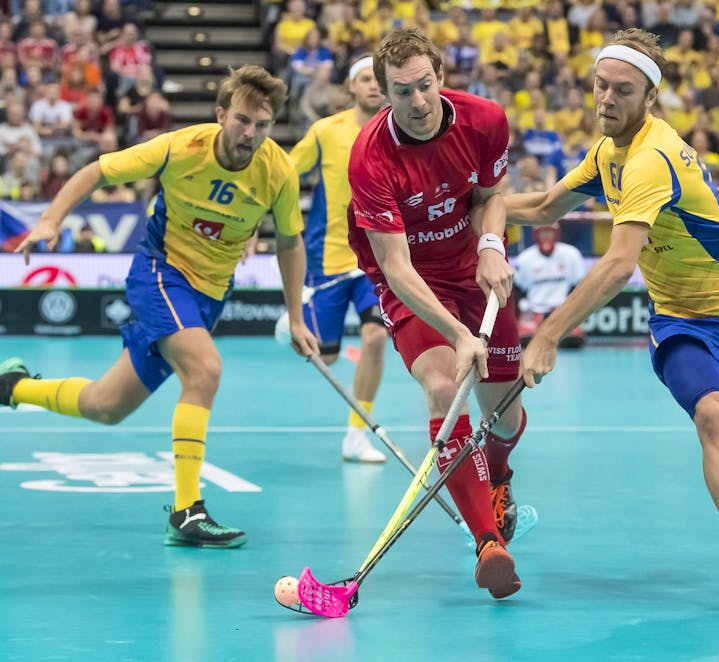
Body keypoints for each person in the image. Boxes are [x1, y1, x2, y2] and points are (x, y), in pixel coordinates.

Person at [505, 29, 719, 609]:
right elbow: (546, 206)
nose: (606, 100)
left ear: (651, 97)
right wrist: (480, 204)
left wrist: (546, 334)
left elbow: (620, 263)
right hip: (683, 319)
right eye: (599, 86)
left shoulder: (651, 157)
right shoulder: (608, 151)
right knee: (713, 415)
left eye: (622, 90)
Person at [1, 65, 320, 548]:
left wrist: (295, 316)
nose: (249, 133)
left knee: (106, 406)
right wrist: (49, 221)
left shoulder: (277, 171)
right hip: (161, 274)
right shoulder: (179, 147)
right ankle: (187, 511)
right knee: (205, 370)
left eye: (262, 123)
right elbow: (97, 170)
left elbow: (290, 244)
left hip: (210, 294)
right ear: (220, 116)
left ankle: (14, 387)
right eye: (240, 120)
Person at [346, 28, 526, 600]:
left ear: (441, 77)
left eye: (425, 86)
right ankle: (487, 542)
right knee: (445, 387)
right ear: (384, 94)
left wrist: (492, 246)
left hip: (477, 273)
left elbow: (490, 195)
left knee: (506, 416)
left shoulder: (486, 120)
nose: (418, 102)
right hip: (414, 285)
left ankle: (497, 476)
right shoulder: (370, 157)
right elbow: (396, 267)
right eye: (403, 92)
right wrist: (455, 333)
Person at [287, 55, 389, 463]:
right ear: (350, 87)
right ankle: (291, 325)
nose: (372, 86)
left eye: (377, 79)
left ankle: (356, 434)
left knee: (376, 337)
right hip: (328, 255)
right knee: (322, 354)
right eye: (365, 79)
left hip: (378, 257)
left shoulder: (400, 133)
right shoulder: (325, 132)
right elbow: (285, 175)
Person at [513, 222, 587, 348]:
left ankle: (557, 332)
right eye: (543, 233)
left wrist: (572, 312)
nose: (546, 236)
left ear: (556, 234)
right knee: (523, 339)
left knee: (574, 339)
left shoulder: (571, 254)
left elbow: (579, 288)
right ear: (535, 235)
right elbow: (518, 291)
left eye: (549, 232)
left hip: (562, 310)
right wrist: (522, 314)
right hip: (534, 311)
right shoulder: (525, 258)